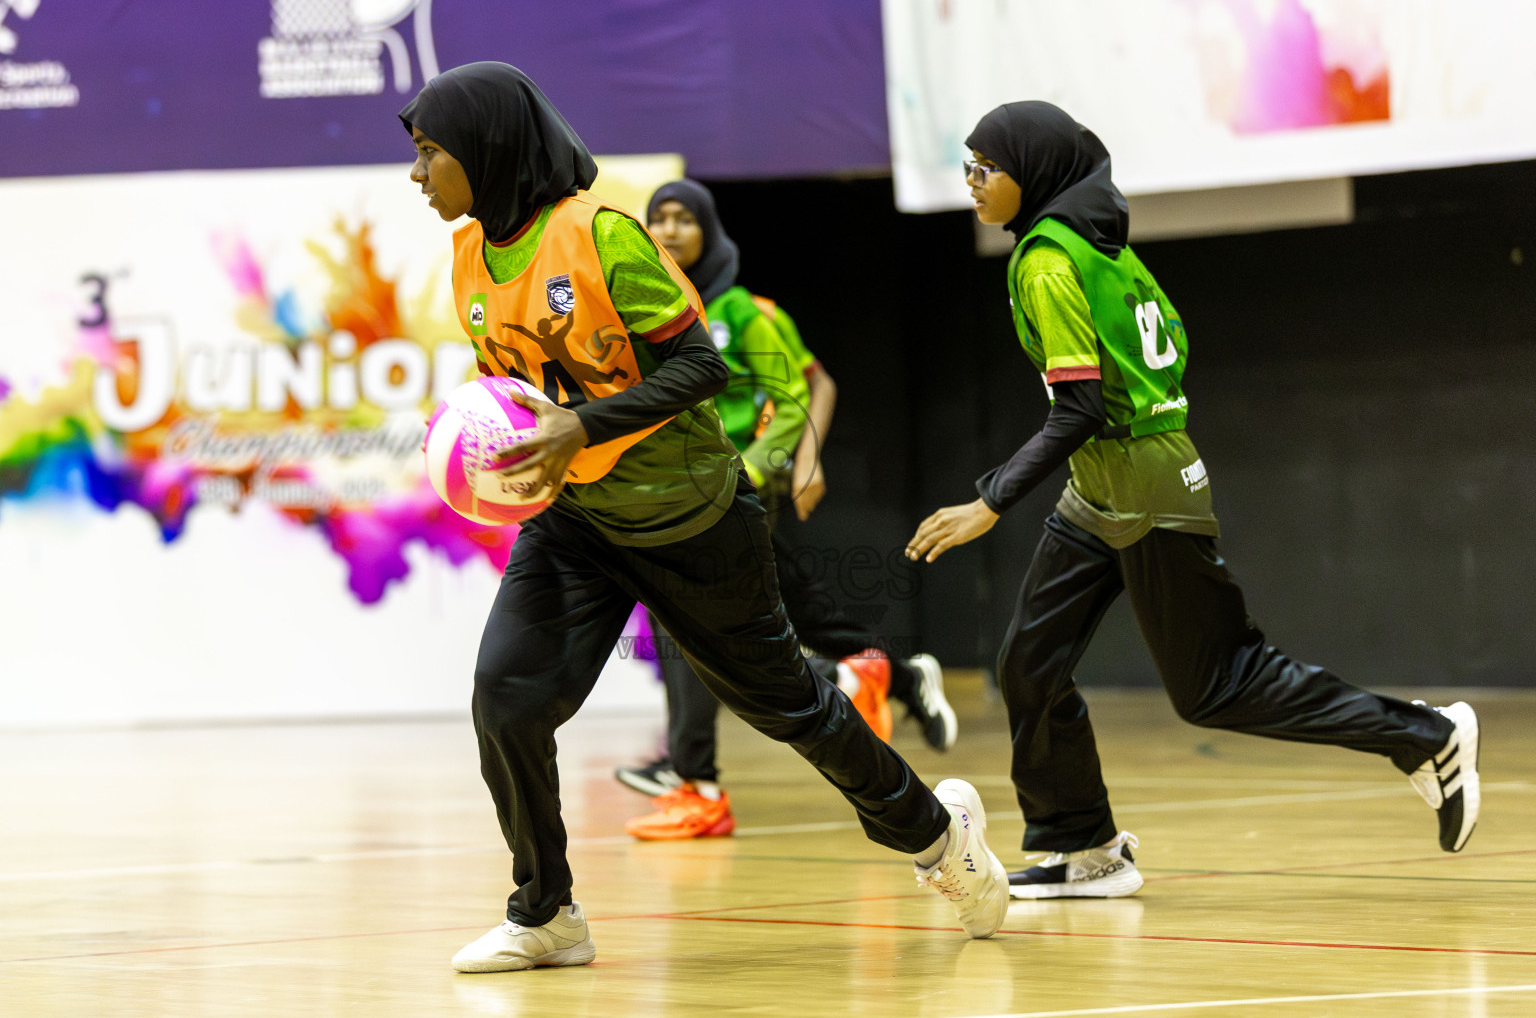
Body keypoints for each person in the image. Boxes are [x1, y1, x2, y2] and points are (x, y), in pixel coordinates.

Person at [400, 62, 1009, 972]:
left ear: (485, 150)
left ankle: (941, 839)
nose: (418, 175)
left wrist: (582, 425)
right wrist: (479, 431)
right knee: (506, 699)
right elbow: (530, 387)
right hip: (576, 524)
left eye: (429, 154)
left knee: (792, 709)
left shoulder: (601, 236)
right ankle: (546, 912)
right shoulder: (468, 255)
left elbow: (700, 370)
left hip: (692, 520)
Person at [905, 100, 1480, 901]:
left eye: (983, 169)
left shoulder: (1044, 261)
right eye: (964, 168)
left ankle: (1426, 735)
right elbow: (1165, 352)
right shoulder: (1105, 248)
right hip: (1104, 488)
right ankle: (1086, 849)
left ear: (1028, 174)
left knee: (1220, 686)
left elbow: (1079, 408)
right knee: (1029, 666)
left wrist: (989, 503)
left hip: (1143, 486)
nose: (970, 183)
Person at [616, 180, 957, 841]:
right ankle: (892, 674)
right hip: (683, 491)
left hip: (736, 491)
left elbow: (799, 392)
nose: (669, 230)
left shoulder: (746, 312)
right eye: (658, 219)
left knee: (692, 624)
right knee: (790, 611)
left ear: (709, 231)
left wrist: (789, 462)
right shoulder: (648, 311)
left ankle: (696, 781)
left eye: (685, 218)